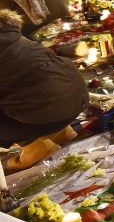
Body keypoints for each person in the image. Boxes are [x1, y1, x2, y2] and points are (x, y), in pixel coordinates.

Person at [0, 9, 87, 146]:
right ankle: (54, 134)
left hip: (48, 115)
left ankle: (36, 145)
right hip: (77, 99)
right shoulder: (12, 36)